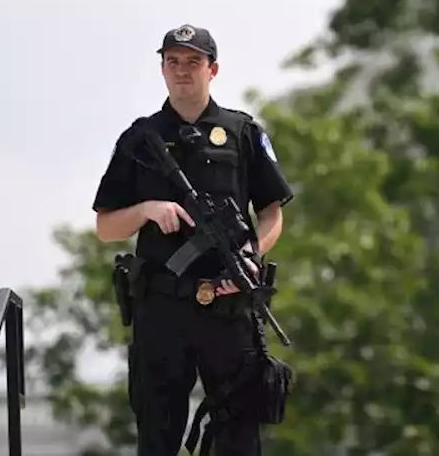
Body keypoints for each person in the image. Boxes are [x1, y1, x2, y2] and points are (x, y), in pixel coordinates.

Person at [92, 24, 294, 456]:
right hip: (162, 307)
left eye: (193, 62)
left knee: (239, 435)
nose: (182, 71)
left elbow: (272, 212)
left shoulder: (241, 134)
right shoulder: (139, 139)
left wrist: (250, 255)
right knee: (158, 433)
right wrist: (147, 209)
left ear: (212, 69)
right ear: (162, 69)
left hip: (229, 306)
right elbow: (107, 226)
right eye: (173, 62)